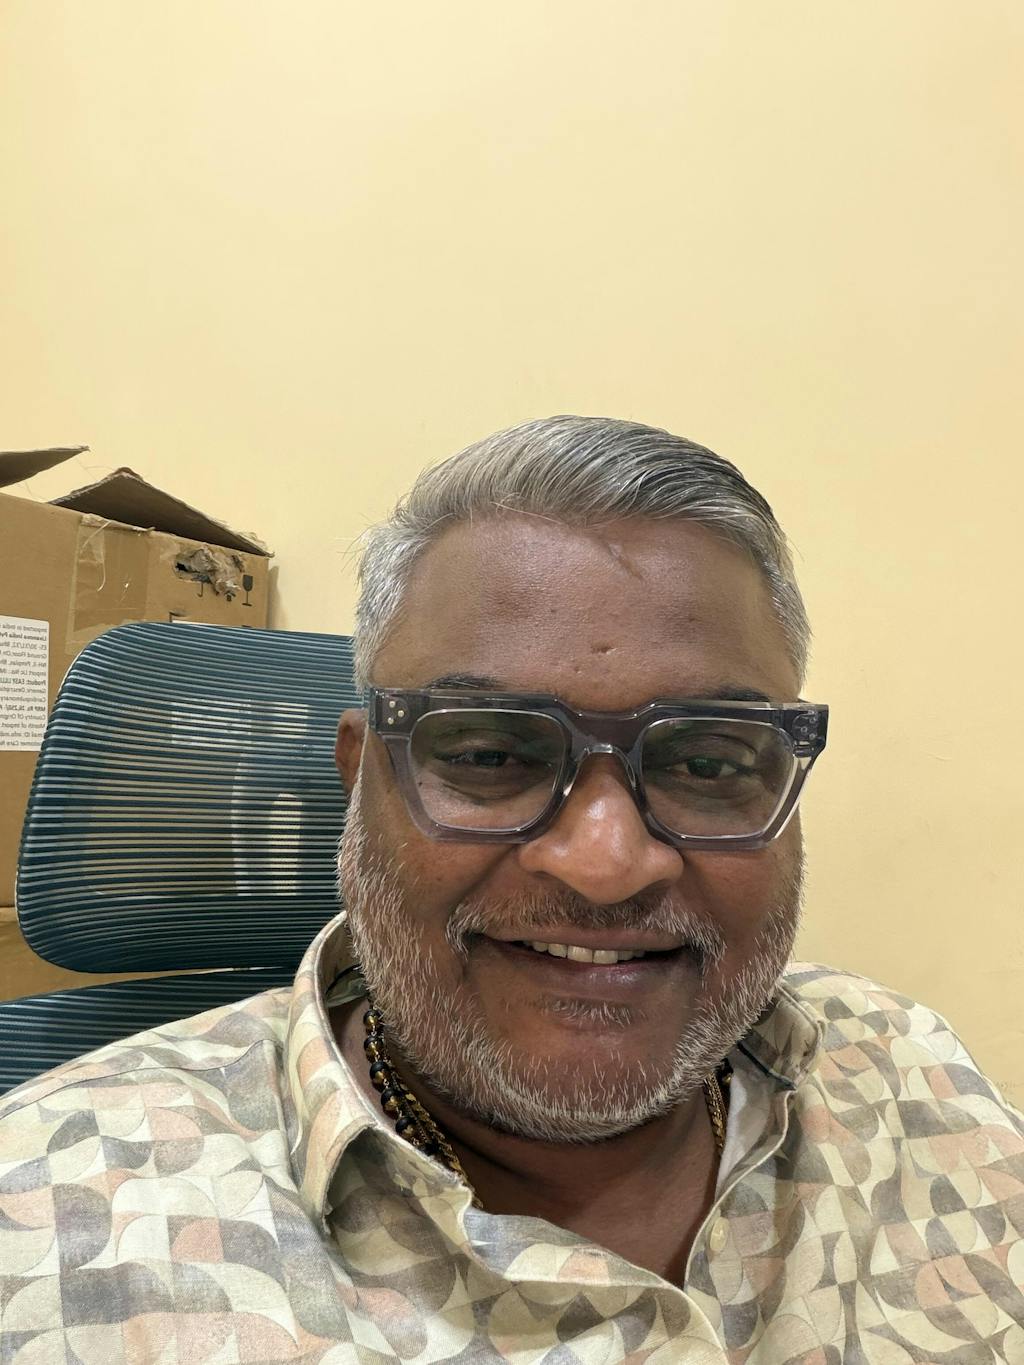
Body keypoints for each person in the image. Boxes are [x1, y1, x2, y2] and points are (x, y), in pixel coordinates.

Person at [1, 417, 1022, 1363]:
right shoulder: (49, 1219)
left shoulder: (909, 1070)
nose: (605, 863)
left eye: (708, 761)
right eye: (490, 753)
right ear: (360, 781)